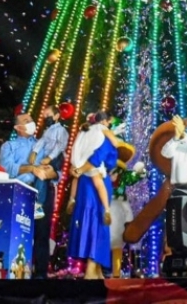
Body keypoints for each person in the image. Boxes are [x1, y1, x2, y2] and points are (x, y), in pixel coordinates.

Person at [0, 112, 58, 279]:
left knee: (41, 234)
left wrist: (51, 173)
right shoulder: (9, 146)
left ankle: (40, 276)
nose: (31, 123)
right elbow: (7, 167)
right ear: (17, 127)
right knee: (18, 231)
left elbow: (58, 169)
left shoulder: (44, 145)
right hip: (19, 191)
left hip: (43, 190)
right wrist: (31, 168)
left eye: (31, 120)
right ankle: (16, 274)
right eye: (26, 121)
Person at [67, 111, 119, 279]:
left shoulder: (84, 132)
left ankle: (96, 270)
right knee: (99, 219)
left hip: (81, 180)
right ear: (104, 122)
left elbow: (75, 158)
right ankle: (91, 267)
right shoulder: (103, 133)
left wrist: (78, 169)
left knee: (85, 218)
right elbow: (104, 155)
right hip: (97, 177)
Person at [66, 111, 119, 225]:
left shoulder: (85, 129)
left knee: (75, 179)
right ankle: (107, 209)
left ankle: (71, 199)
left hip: (78, 160)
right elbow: (114, 142)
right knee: (99, 184)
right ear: (103, 121)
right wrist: (115, 141)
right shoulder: (102, 128)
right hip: (90, 161)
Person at [29, 106, 69, 219]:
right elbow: (42, 141)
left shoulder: (61, 130)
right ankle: (37, 201)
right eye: (44, 115)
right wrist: (34, 152)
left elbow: (60, 146)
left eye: (48, 114)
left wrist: (50, 158)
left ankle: (39, 204)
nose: (45, 117)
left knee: (42, 174)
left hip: (56, 158)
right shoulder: (48, 130)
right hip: (46, 157)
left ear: (56, 116)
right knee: (38, 175)